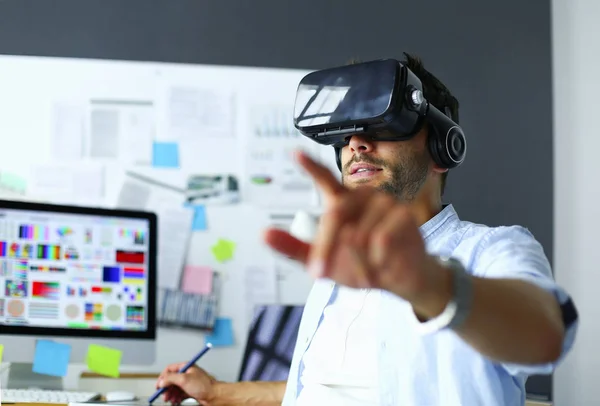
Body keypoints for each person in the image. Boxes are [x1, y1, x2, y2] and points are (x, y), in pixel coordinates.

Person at [155, 54, 578, 406]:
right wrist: (215, 392)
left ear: (441, 148)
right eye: (345, 133)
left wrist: (428, 283)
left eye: (382, 125)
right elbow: (319, 391)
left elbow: (547, 336)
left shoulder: (492, 249)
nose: (356, 142)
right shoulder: (338, 273)